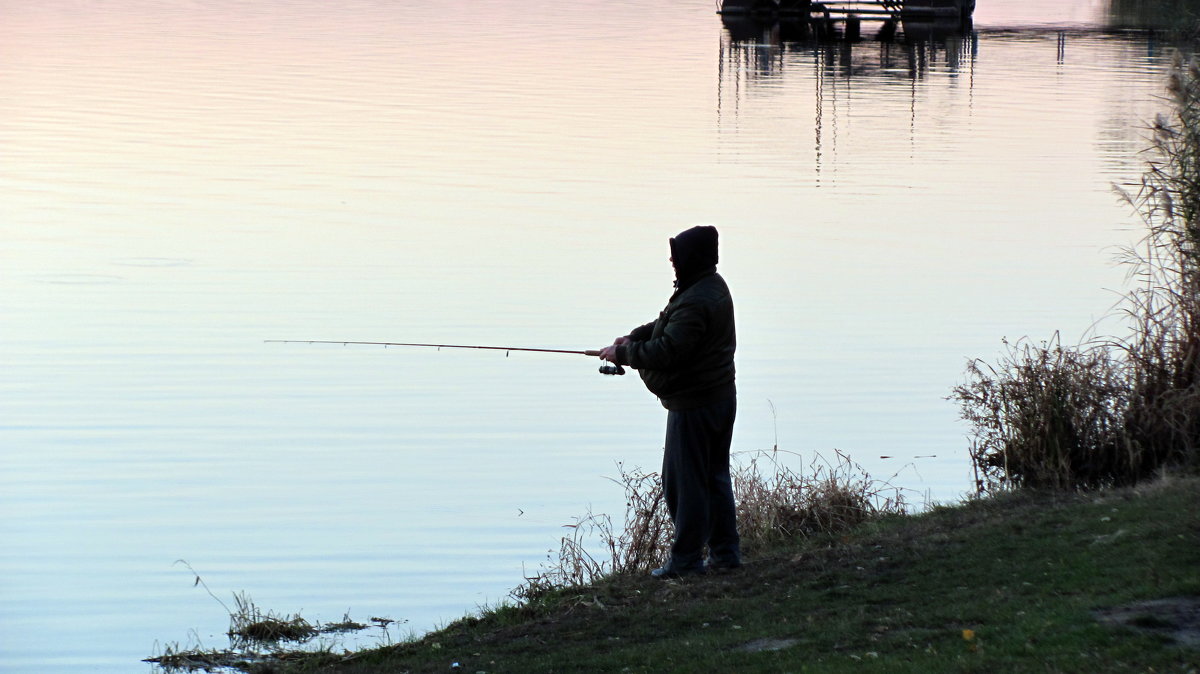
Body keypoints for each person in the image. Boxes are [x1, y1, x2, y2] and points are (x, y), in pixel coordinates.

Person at [597, 225, 740, 579]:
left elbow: (669, 350)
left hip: (695, 405)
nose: (672, 262)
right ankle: (725, 554)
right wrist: (634, 337)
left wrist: (623, 353)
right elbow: (667, 326)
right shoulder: (708, 286)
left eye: (676, 256)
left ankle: (687, 560)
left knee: (685, 483)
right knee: (713, 478)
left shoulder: (697, 297)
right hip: (718, 398)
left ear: (692, 258)